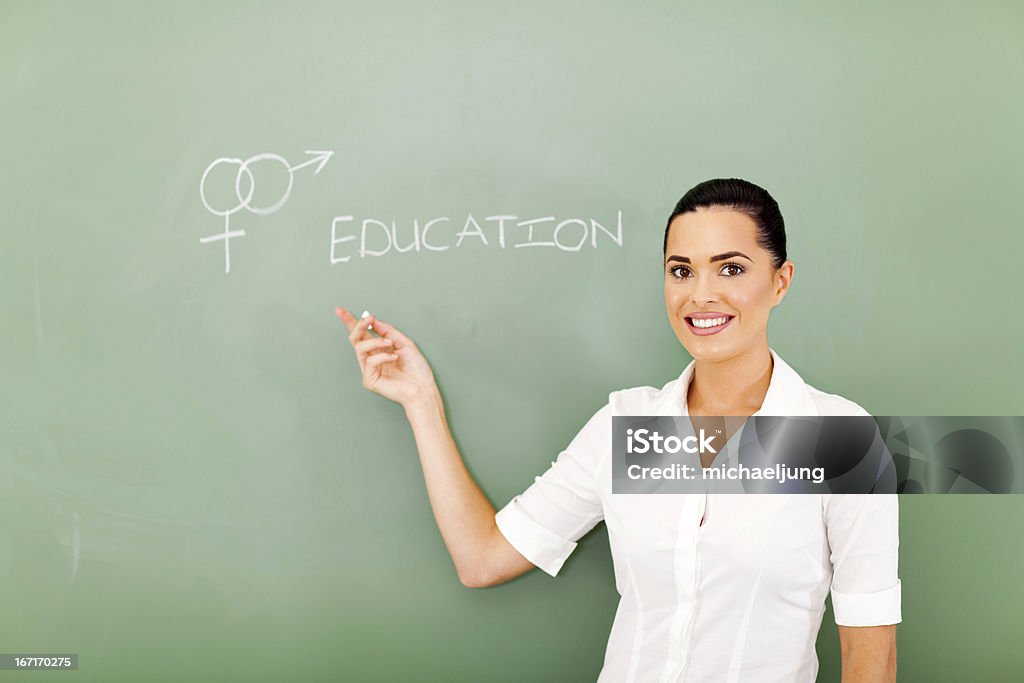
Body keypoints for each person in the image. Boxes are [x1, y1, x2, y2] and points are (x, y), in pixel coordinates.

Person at [335, 178, 901, 682]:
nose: (701, 294)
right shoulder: (627, 427)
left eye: (730, 268)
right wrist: (420, 400)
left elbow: (871, 654)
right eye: (681, 270)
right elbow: (482, 559)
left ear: (780, 282)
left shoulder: (842, 439)